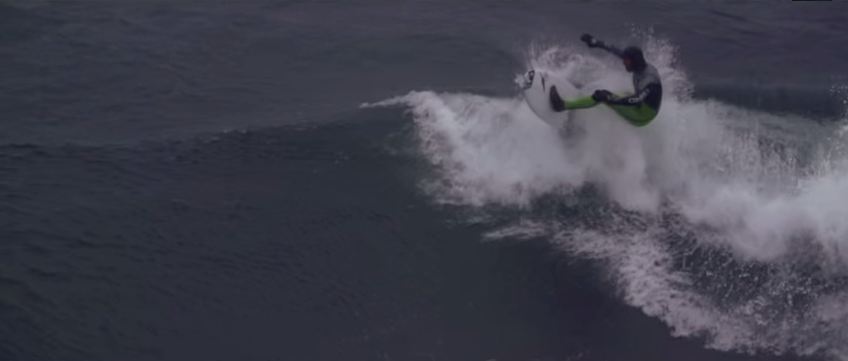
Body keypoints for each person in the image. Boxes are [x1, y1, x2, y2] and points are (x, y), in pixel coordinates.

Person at [549, 34, 663, 127]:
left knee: (602, 96)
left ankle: (562, 106)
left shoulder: (650, 81)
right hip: (640, 104)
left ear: (635, 61)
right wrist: (596, 43)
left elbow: (637, 99)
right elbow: (616, 51)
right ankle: (580, 107)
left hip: (642, 116)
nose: (624, 62)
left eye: (627, 61)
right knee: (606, 92)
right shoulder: (639, 65)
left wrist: (609, 98)